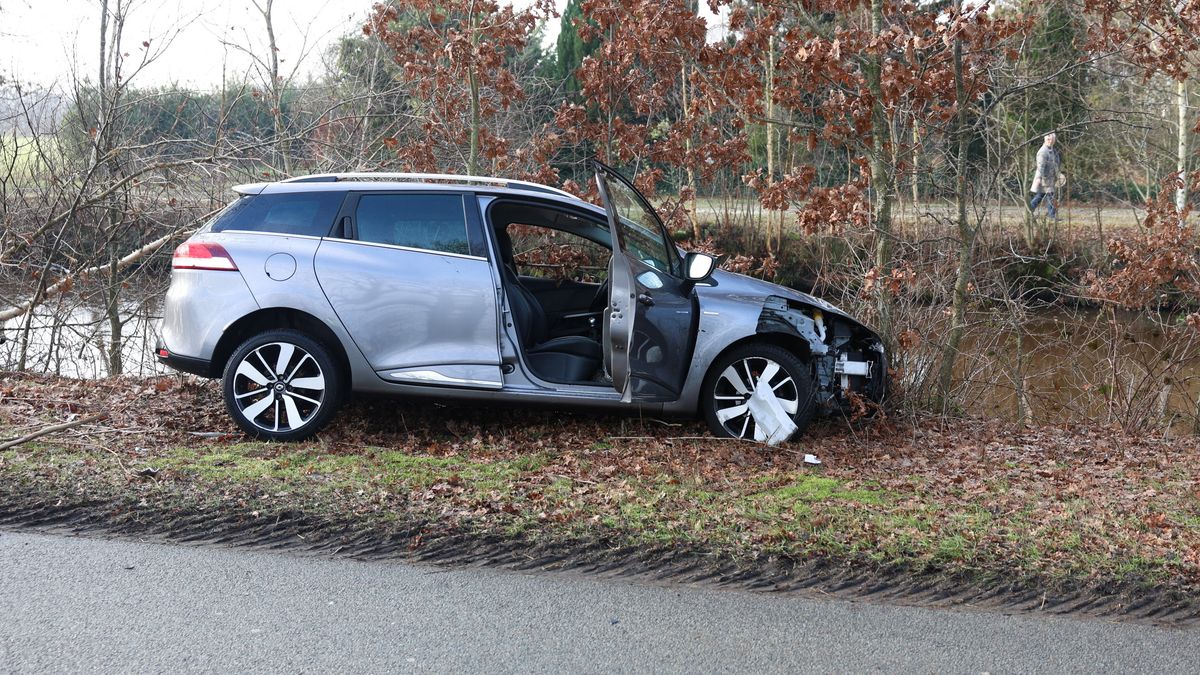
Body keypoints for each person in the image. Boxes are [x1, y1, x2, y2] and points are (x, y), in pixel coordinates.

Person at [1029, 132, 1063, 219]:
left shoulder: (1053, 150)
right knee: (1051, 196)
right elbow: (1040, 166)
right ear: (1045, 139)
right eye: (1048, 139)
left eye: (1052, 139)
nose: (1050, 141)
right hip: (1044, 179)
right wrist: (1040, 178)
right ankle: (1051, 215)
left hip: (1051, 178)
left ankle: (1029, 210)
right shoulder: (1043, 152)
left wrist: (1058, 175)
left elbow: (1056, 164)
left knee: (1040, 196)